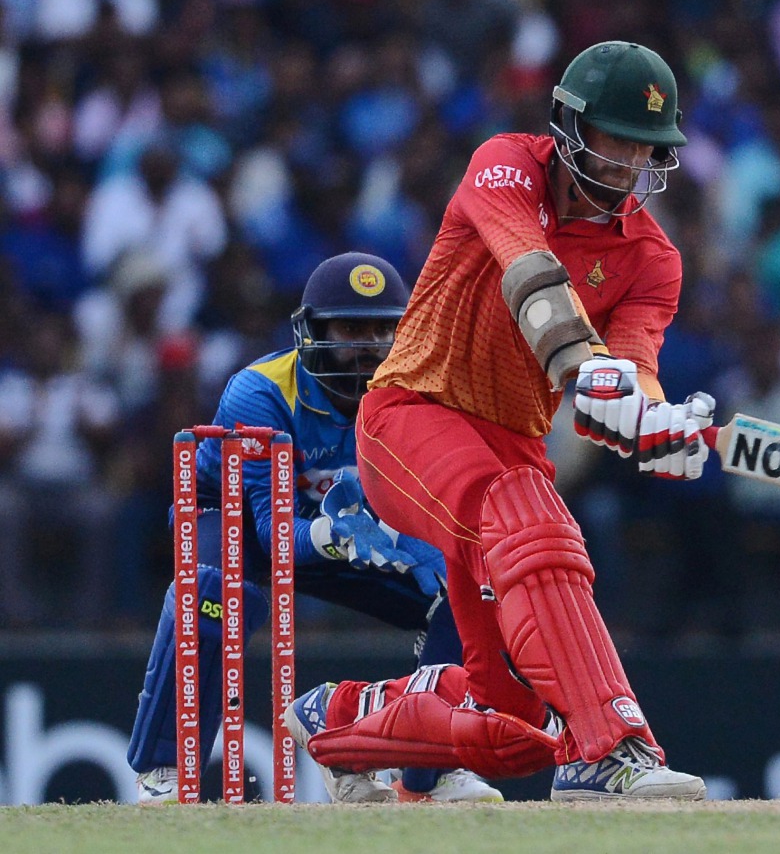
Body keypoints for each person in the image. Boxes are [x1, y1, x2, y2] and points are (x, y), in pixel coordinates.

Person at [288, 41, 712, 801]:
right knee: (528, 514)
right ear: (568, 125)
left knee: (509, 726)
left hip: (509, 450)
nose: (628, 166)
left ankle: (338, 721)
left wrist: (656, 422)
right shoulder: (506, 165)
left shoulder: (654, 258)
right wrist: (587, 372)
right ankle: (610, 748)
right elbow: (530, 272)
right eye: (616, 140)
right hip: (410, 415)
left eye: (646, 149)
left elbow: (632, 364)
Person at [128, 251, 502, 805]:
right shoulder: (260, 392)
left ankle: (424, 774)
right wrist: (332, 535)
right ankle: (164, 771)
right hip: (235, 520)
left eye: (381, 331)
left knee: (461, 596)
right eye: (350, 328)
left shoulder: (417, 392)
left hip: (353, 527)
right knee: (212, 592)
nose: (367, 347)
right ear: (313, 331)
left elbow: (431, 512)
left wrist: (431, 565)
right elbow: (270, 533)